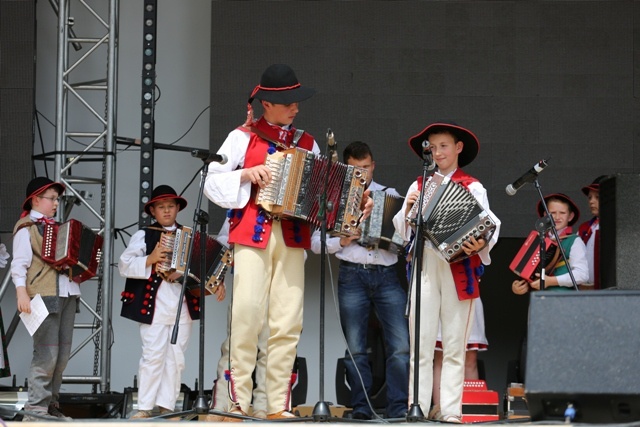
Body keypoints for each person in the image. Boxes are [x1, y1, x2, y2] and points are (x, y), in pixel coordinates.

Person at [202, 63, 321, 420]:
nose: (296, 108)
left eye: (297, 102)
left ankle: (275, 406)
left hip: (291, 238)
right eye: (289, 102)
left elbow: (319, 194)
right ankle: (234, 403)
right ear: (267, 104)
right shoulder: (243, 136)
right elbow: (211, 183)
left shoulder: (308, 143)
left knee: (287, 323)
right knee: (246, 318)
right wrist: (245, 174)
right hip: (252, 235)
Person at [393, 122, 500, 423]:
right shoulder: (418, 185)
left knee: (455, 345)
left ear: (458, 148)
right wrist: (407, 210)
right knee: (421, 344)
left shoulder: (473, 186)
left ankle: (452, 412)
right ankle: (418, 408)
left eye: (443, 146)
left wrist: (481, 242)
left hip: (458, 267)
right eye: (432, 147)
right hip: (425, 262)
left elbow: (490, 228)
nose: (438, 152)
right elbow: (402, 231)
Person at [310, 141, 409, 420]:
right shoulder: (332, 199)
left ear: (373, 165)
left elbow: (405, 240)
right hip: (352, 275)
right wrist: (342, 240)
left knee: (400, 344)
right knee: (356, 347)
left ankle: (399, 408)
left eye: (366, 167)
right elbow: (315, 244)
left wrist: (393, 237)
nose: (362, 174)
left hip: (387, 275)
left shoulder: (390, 195)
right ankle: (362, 408)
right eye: (355, 169)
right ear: (345, 168)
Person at [119, 185, 221, 419]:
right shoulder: (144, 235)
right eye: (161, 207)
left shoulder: (190, 235)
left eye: (170, 207)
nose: (166, 211)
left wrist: (217, 282)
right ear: (153, 211)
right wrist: (151, 259)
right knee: (153, 355)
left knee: (176, 358)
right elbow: (124, 265)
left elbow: (206, 267)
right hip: (153, 306)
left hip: (181, 306)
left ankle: (167, 406)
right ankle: (144, 406)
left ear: (177, 209)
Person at [11, 177, 79, 421]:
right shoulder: (26, 228)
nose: (56, 204)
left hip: (66, 292)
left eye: (57, 199)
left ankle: (51, 405)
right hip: (42, 295)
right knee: (46, 355)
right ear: (36, 200)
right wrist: (21, 292)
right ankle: (36, 410)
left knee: (61, 357)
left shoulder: (57, 227)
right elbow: (18, 264)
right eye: (52, 198)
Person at [207, 220, 268, 421]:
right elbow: (223, 242)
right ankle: (222, 405)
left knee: (269, 348)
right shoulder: (241, 206)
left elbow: (298, 253)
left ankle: (262, 407)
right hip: (245, 283)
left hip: (276, 284)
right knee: (234, 346)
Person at [512, 193, 589, 295]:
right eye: (552, 213)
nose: (557, 217)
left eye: (562, 213)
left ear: (570, 216)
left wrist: (550, 281)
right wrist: (521, 287)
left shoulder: (575, 241)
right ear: (545, 215)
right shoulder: (539, 240)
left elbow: (582, 275)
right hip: (538, 301)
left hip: (563, 301)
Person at [431, 297, 487, 418]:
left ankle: (472, 410)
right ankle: (439, 411)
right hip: (442, 294)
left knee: (470, 357)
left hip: (468, 290)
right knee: (441, 354)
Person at [578, 176, 606, 289]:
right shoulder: (584, 227)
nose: (591, 201)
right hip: (586, 289)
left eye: (598, 197)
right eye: (589, 197)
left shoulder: (618, 227)